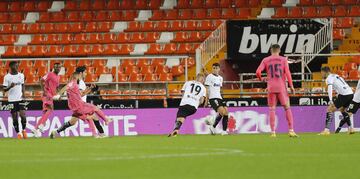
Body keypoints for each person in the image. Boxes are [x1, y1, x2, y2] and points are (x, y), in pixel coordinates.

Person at [50, 72, 112, 139]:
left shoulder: (75, 84)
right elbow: (66, 87)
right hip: (80, 105)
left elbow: (81, 94)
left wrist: (90, 88)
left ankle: (56, 132)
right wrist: (58, 94)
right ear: (79, 74)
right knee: (94, 111)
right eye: (84, 72)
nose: (84, 74)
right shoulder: (74, 83)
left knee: (72, 122)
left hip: (74, 107)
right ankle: (105, 122)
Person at [256, 44, 297, 137]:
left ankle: (273, 132)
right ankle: (291, 130)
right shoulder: (283, 59)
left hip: (271, 87)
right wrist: (291, 86)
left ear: (271, 50)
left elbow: (258, 72)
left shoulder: (265, 60)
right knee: (287, 108)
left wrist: (261, 79)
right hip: (281, 87)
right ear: (279, 50)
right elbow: (287, 73)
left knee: (272, 109)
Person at [319, 66, 354, 135]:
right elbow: (341, 84)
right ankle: (351, 128)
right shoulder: (335, 75)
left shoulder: (328, 78)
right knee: (342, 110)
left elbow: (330, 88)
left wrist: (330, 99)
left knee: (329, 109)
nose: (321, 74)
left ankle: (326, 130)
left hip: (344, 94)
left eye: (321, 73)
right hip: (350, 93)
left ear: (324, 72)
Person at [32, 63, 64, 137]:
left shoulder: (58, 77)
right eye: (56, 67)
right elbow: (41, 80)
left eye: (59, 67)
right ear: (54, 68)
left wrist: (58, 96)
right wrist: (44, 91)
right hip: (47, 94)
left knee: (45, 113)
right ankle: (41, 125)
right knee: (50, 109)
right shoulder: (50, 74)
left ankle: (35, 128)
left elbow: (56, 87)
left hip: (51, 96)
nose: (58, 69)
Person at [75, 66, 106, 138]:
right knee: (92, 116)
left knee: (93, 117)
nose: (86, 74)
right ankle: (100, 132)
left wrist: (90, 88)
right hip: (81, 104)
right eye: (85, 72)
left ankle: (100, 133)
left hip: (79, 104)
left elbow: (82, 93)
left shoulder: (77, 82)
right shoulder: (81, 83)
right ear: (81, 73)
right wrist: (90, 88)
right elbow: (81, 94)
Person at [3, 61, 27, 139]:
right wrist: (10, 86)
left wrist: (24, 94)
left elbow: (23, 85)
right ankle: (18, 133)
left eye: (17, 66)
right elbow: (4, 89)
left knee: (23, 115)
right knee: (14, 117)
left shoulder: (21, 75)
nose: (17, 68)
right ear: (11, 67)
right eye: (15, 66)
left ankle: (24, 130)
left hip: (20, 99)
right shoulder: (7, 77)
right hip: (11, 100)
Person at [204, 63, 229, 135]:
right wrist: (206, 100)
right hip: (213, 98)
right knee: (223, 112)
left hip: (219, 97)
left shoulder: (221, 78)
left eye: (216, 68)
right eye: (213, 68)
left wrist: (222, 98)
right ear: (212, 69)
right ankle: (222, 131)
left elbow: (220, 89)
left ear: (219, 69)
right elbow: (207, 89)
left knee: (226, 112)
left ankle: (217, 128)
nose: (215, 69)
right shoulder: (209, 77)